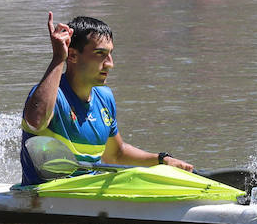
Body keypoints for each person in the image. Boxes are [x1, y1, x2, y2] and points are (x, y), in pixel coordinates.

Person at [19, 13, 192, 185]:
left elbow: (116, 155)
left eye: (110, 54)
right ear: (71, 56)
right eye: (100, 53)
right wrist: (58, 58)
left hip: (90, 197)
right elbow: (35, 122)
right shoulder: (50, 95)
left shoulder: (105, 97)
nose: (110, 63)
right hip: (44, 202)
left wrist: (162, 160)